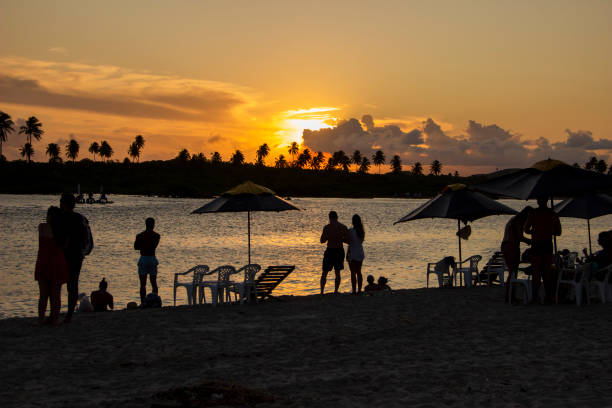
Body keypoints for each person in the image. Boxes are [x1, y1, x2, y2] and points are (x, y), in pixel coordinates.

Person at [35, 206, 69, 325]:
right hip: (57, 262)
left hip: (43, 261)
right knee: (55, 294)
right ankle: (54, 318)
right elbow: (65, 246)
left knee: (43, 295)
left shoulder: (42, 227)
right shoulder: (62, 230)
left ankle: (41, 319)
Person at [524, 197, 562, 303]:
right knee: (547, 272)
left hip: (537, 244)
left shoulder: (533, 214)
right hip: (547, 244)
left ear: (537, 202)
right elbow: (558, 232)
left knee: (536, 272)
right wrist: (548, 230)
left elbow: (526, 230)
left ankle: (535, 297)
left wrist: (536, 231)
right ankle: (548, 296)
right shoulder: (552, 214)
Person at [60, 193, 88, 323]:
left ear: (63, 204)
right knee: (73, 285)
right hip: (78, 255)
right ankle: (69, 314)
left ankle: (57, 312)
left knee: (58, 285)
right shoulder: (80, 218)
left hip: (64, 255)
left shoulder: (61, 218)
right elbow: (84, 238)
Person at [501, 206, 533, 302]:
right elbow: (520, 237)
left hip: (505, 245)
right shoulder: (518, 222)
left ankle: (510, 295)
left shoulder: (513, 220)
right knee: (513, 272)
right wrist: (531, 241)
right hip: (511, 246)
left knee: (512, 272)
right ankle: (510, 296)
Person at [320, 211, 348, 295]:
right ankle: (335, 291)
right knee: (337, 272)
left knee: (324, 272)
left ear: (329, 218)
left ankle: (322, 292)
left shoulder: (327, 227)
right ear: (337, 217)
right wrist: (340, 238)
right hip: (339, 250)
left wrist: (329, 236)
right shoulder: (343, 227)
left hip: (330, 250)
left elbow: (322, 241)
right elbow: (348, 240)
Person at [134, 217, 161, 304]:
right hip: (152, 258)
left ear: (145, 224)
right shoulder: (157, 236)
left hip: (144, 258)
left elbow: (136, 247)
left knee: (142, 284)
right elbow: (154, 246)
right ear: (153, 225)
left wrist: (143, 245)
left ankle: (143, 302)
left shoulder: (139, 236)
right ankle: (155, 301)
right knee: (154, 282)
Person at [347, 214, 365, 294]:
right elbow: (360, 241)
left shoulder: (350, 231)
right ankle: (359, 290)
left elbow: (348, 241)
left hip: (353, 253)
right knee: (359, 272)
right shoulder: (362, 231)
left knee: (353, 273)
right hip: (360, 253)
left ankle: (354, 291)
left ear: (353, 222)